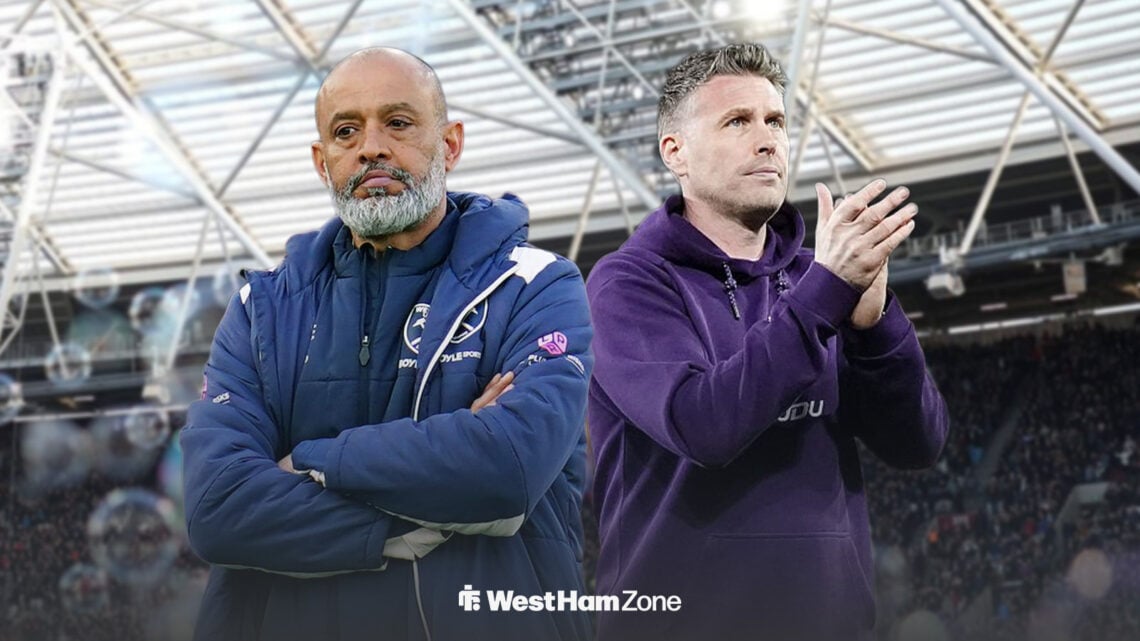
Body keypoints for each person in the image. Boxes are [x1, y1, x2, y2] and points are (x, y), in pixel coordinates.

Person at [180, 47, 593, 641]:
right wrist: (412, 520)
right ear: (323, 163)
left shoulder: (535, 283)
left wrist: (311, 462)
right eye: (347, 131)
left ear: (449, 144)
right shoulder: (260, 310)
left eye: (397, 123)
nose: (371, 146)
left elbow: (507, 469)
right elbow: (217, 510)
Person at [586, 43, 950, 641]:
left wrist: (873, 324)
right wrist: (823, 297)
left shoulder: (823, 276)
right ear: (674, 152)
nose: (767, 140)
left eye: (775, 121)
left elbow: (919, 444)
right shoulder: (627, 283)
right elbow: (702, 425)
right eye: (737, 121)